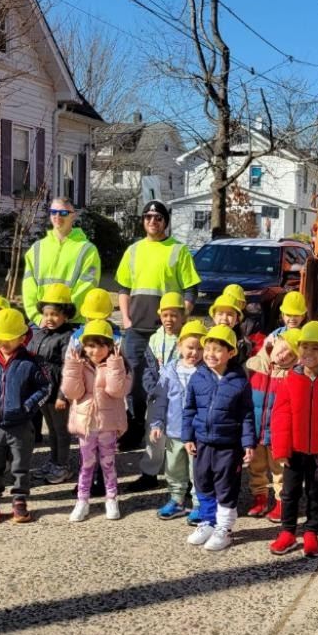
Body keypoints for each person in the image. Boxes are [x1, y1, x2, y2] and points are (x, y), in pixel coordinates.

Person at [115, 199, 201, 459]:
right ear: (143, 221)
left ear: (166, 222)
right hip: (136, 329)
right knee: (133, 382)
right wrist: (126, 320)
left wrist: (181, 319)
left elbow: (190, 290)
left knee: (168, 382)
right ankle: (134, 430)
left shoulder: (178, 250)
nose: (153, 221)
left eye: (158, 217)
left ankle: (169, 434)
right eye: (148, 217)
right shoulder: (133, 251)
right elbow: (123, 288)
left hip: (167, 331)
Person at [268, 322, 318, 558]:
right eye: (305, 347)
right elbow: (281, 416)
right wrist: (281, 449)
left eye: (316, 348)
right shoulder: (290, 381)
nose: (309, 353)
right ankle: (288, 531)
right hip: (294, 451)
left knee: (317, 493)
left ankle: (312, 531)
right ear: (298, 349)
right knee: (289, 493)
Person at [0, 308, 51, 525]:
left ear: (22, 338)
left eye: (9, 338)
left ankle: (19, 499)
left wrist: (28, 406)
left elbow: (45, 388)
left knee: (20, 465)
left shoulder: (31, 363)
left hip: (21, 425)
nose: (3, 342)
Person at [182, 324, 256, 552]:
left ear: (231, 353)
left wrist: (248, 443)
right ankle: (208, 522)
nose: (210, 354)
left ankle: (224, 528)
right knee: (202, 482)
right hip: (202, 442)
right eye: (208, 349)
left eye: (217, 349)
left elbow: (247, 414)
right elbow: (189, 409)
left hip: (228, 445)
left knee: (226, 486)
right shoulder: (198, 377)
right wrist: (188, 437)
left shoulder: (239, 381)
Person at [61, 320, 130, 522]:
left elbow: (116, 391)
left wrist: (115, 364)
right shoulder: (78, 364)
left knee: (108, 463)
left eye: (101, 345)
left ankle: (111, 498)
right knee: (86, 464)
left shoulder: (119, 364)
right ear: (83, 346)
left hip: (108, 423)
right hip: (86, 424)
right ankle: (82, 500)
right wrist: (73, 367)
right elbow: (72, 392)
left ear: (110, 346)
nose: (95, 351)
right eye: (90, 345)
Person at [147, 319, 207, 520]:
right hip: (174, 431)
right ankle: (177, 499)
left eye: (200, 348)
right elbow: (160, 399)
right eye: (190, 347)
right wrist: (157, 423)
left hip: (197, 433)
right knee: (173, 468)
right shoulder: (169, 370)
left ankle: (199, 503)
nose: (194, 353)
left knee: (196, 470)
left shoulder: (207, 372)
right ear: (180, 346)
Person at [245, 328, 299, 520]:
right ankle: (259, 497)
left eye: (290, 355)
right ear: (274, 342)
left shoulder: (292, 375)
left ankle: (281, 501)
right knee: (255, 467)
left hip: (277, 433)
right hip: (255, 429)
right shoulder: (254, 365)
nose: (283, 356)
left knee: (280, 470)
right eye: (282, 349)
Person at [21, 197, 102, 322]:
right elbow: (28, 286)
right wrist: (37, 317)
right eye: (53, 212)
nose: (57, 216)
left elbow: (86, 287)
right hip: (41, 322)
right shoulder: (36, 248)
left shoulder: (87, 250)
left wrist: (64, 316)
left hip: (72, 322)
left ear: (73, 216)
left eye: (63, 213)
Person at [28, 283, 76, 484]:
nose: (50, 318)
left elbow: (69, 368)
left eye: (55, 314)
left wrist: (62, 396)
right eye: (46, 314)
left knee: (61, 430)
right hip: (43, 392)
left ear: (66, 315)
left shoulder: (67, 337)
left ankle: (63, 465)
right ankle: (53, 461)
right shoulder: (39, 334)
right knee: (51, 430)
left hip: (57, 393)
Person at [138, 292, 184, 491]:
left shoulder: (187, 339)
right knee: (154, 436)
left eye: (174, 315)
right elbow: (147, 368)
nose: (169, 319)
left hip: (179, 398)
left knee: (177, 438)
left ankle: (181, 477)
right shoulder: (154, 339)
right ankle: (149, 473)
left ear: (183, 316)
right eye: (165, 315)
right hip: (158, 395)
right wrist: (152, 389)